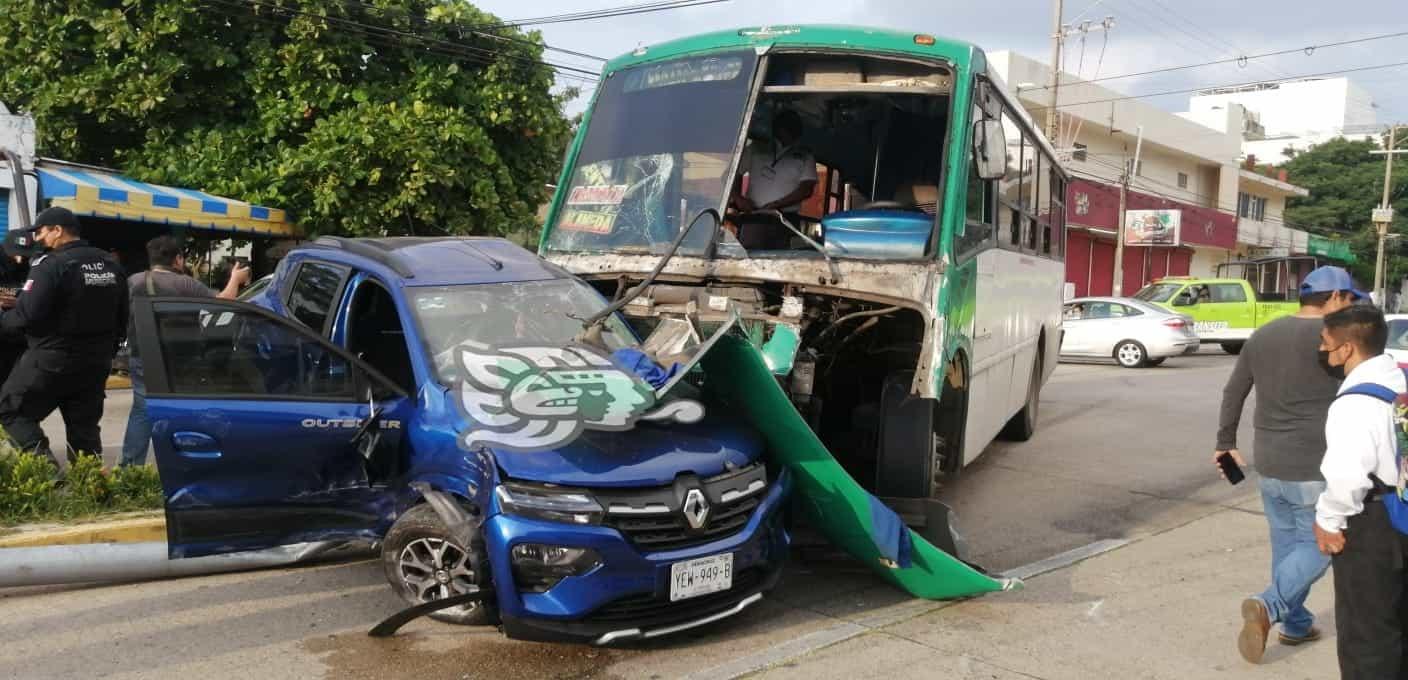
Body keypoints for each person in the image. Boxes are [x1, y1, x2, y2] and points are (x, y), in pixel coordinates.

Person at [1215, 265, 1361, 663]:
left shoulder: (1263, 335)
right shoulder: (1335, 339)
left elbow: (1234, 391)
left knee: (1287, 546)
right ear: (1332, 298)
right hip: (1316, 465)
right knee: (1325, 542)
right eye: (1348, 299)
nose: (1350, 308)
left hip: (1270, 462)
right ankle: (1269, 605)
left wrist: (1225, 442)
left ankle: (1295, 626)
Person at [1311, 305, 1406, 680]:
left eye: (1325, 342)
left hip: (1372, 527)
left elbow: (1347, 478)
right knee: (1398, 626)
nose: (1322, 350)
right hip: (1403, 511)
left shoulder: (1353, 403)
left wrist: (1328, 521)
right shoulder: (1397, 382)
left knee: (1367, 637)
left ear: (1347, 348)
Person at [0, 207, 128, 468]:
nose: (38, 239)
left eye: (41, 232)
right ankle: (91, 489)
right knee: (84, 429)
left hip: (52, 359)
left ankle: (48, 474)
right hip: (95, 362)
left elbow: (26, 316)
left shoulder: (51, 264)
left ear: (57, 231)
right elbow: (122, 317)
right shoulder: (110, 264)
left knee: (11, 410)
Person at [118, 235, 250, 467]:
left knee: (142, 410)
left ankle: (130, 467)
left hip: (143, 356)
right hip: (182, 359)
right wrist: (235, 278)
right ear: (178, 259)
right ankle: (185, 462)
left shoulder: (133, 281)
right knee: (186, 410)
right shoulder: (186, 284)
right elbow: (225, 301)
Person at [728, 109, 818, 250]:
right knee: (749, 259)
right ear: (777, 128)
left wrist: (777, 205)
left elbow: (806, 189)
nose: (789, 133)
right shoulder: (756, 148)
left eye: (793, 129)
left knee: (782, 261)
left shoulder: (805, 155)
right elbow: (732, 175)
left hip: (785, 220)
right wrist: (738, 198)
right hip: (754, 218)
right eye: (786, 128)